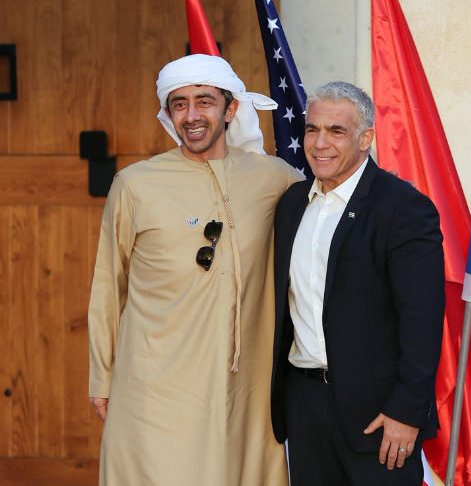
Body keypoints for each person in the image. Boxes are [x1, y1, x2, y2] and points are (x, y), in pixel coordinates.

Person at [88, 54, 303, 485]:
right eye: (179, 104)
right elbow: (108, 287)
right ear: (168, 114)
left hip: (246, 393)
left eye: (204, 101)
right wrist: (101, 377)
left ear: (231, 108)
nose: (191, 116)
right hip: (154, 390)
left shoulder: (276, 179)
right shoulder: (135, 184)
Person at [270, 82, 446, 485]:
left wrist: (406, 410)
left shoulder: (402, 207)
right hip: (305, 405)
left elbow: (422, 320)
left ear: (365, 138)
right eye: (312, 129)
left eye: (336, 131)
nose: (320, 143)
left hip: (380, 414)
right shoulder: (292, 203)